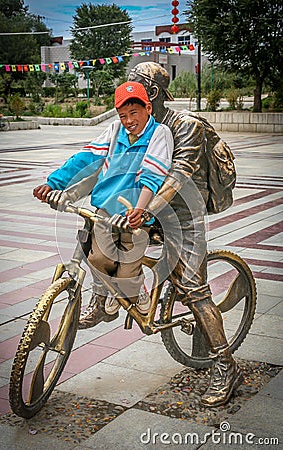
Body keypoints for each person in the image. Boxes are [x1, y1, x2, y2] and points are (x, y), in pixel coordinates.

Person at [128, 62, 243, 408]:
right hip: (152, 209)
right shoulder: (139, 124)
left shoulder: (186, 126)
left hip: (185, 216)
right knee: (105, 236)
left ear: (153, 93)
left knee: (194, 290)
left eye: (135, 88)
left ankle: (226, 366)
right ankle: (105, 299)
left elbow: (179, 175)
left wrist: (147, 210)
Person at [33, 81, 174, 329]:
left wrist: (139, 212)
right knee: (97, 258)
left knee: (127, 265)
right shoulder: (114, 130)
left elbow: (152, 177)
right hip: (105, 212)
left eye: (134, 113)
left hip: (135, 215)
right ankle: (115, 292)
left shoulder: (159, 133)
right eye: (123, 115)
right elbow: (85, 159)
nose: (129, 120)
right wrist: (54, 183)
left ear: (148, 108)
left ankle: (135, 290)